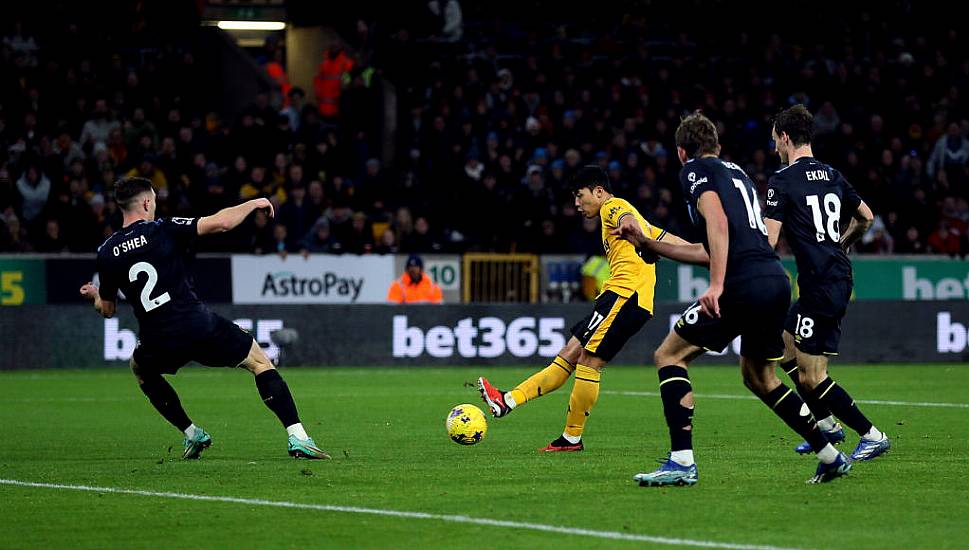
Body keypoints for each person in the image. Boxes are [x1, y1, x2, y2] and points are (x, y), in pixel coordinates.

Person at [614, 112, 850, 485]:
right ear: (718, 147)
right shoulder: (736, 172)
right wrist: (646, 243)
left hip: (741, 283)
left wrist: (716, 285)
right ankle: (830, 455)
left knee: (668, 355)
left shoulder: (694, 171)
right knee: (759, 377)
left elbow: (718, 225)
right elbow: (709, 247)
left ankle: (682, 462)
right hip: (774, 280)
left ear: (681, 153)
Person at [79, 177, 328, 460]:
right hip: (195, 324)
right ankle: (298, 437)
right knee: (259, 362)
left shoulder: (107, 252)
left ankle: (191, 433)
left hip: (157, 337)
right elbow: (220, 223)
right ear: (147, 202)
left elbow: (108, 310)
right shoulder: (162, 229)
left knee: (140, 369)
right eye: (154, 202)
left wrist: (94, 296)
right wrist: (253, 203)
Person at [477, 166, 690, 452]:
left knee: (590, 362)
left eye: (580, 196)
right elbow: (672, 241)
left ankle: (571, 439)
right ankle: (507, 401)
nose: (577, 204)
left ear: (598, 191)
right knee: (569, 354)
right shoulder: (632, 215)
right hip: (620, 298)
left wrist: (633, 229)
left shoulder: (612, 207)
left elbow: (626, 219)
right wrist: (709, 254)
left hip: (624, 296)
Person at [765, 105, 890, 461]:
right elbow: (865, 216)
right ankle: (825, 424)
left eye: (775, 140)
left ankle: (871, 434)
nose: (775, 147)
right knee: (785, 342)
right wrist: (842, 243)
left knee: (811, 376)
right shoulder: (832, 174)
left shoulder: (783, 181)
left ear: (786, 138)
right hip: (832, 276)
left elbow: (769, 241)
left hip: (822, 284)